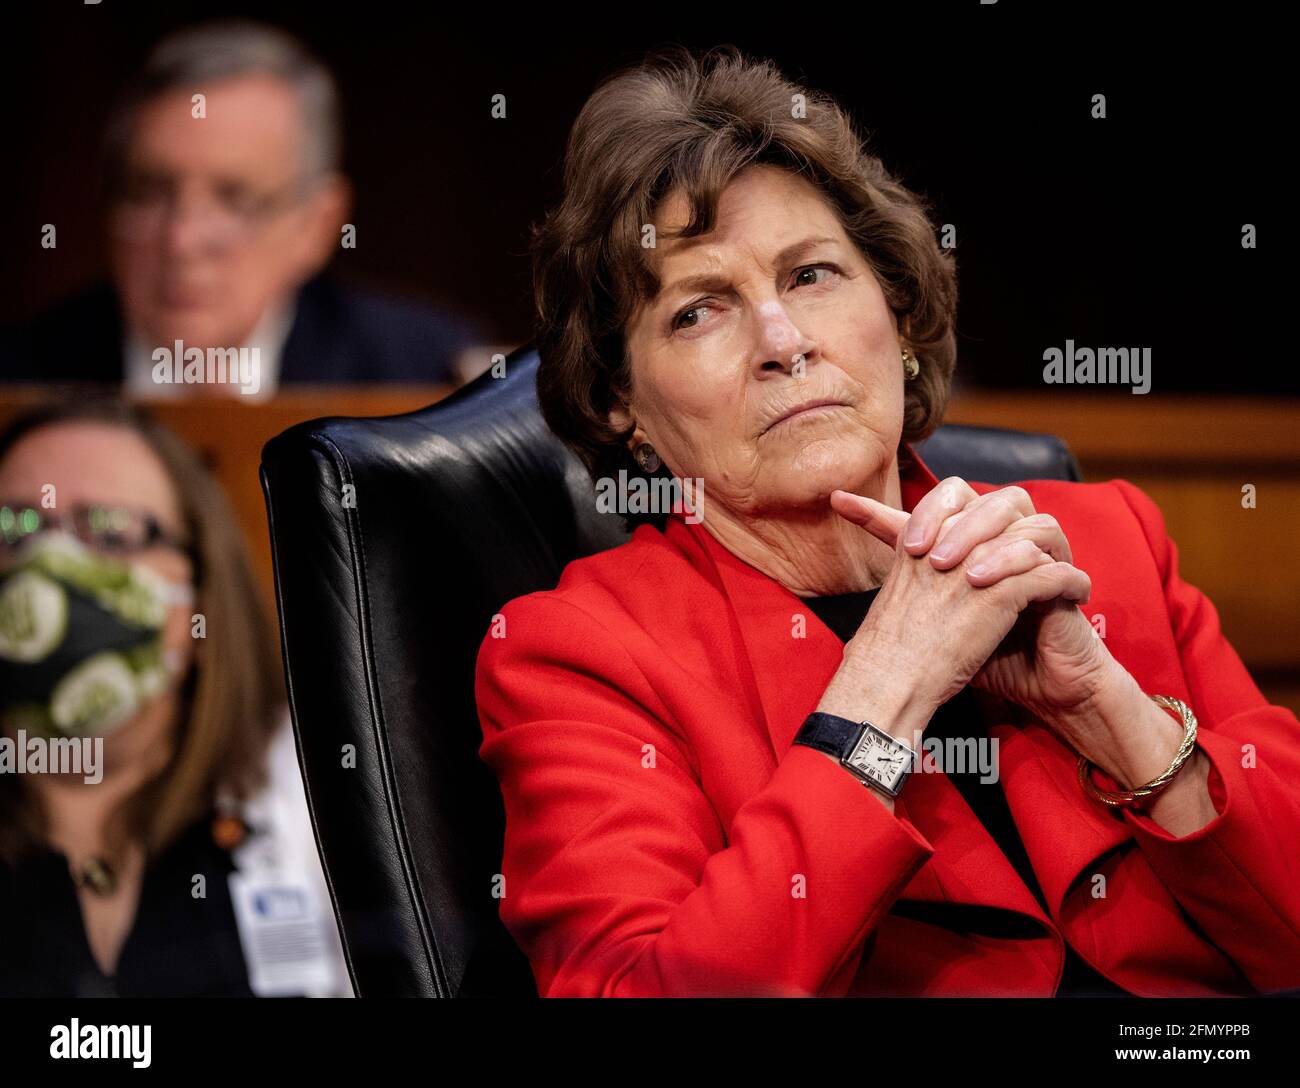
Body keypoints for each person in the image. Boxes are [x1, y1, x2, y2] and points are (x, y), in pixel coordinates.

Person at [473, 45, 1300, 998]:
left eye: (813, 275)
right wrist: (882, 693)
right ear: (623, 402)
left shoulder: (1107, 541)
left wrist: (1114, 717)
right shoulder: (578, 655)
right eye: (701, 311)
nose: (783, 343)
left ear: (899, 316)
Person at [0, 399, 351, 997]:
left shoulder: (318, 790)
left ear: (200, 591)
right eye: (15, 527)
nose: (51, 564)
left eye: (110, 531)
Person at [2, 19, 485, 394]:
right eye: (148, 193)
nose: (182, 240)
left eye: (235, 200)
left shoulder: (423, 377)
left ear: (318, 225)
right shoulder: (21, 378)